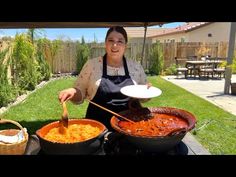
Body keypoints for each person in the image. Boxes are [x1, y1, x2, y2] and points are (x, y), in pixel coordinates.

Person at [58, 26, 148, 130]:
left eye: (120, 41)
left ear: (125, 45)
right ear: (105, 43)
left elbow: (144, 97)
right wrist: (72, 92)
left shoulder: (136, 67)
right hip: (97, 126)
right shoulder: (92, 65)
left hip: (131, 126)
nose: (115, 45)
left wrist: (147, 91)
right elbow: (80, 92)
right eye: (111, 40)